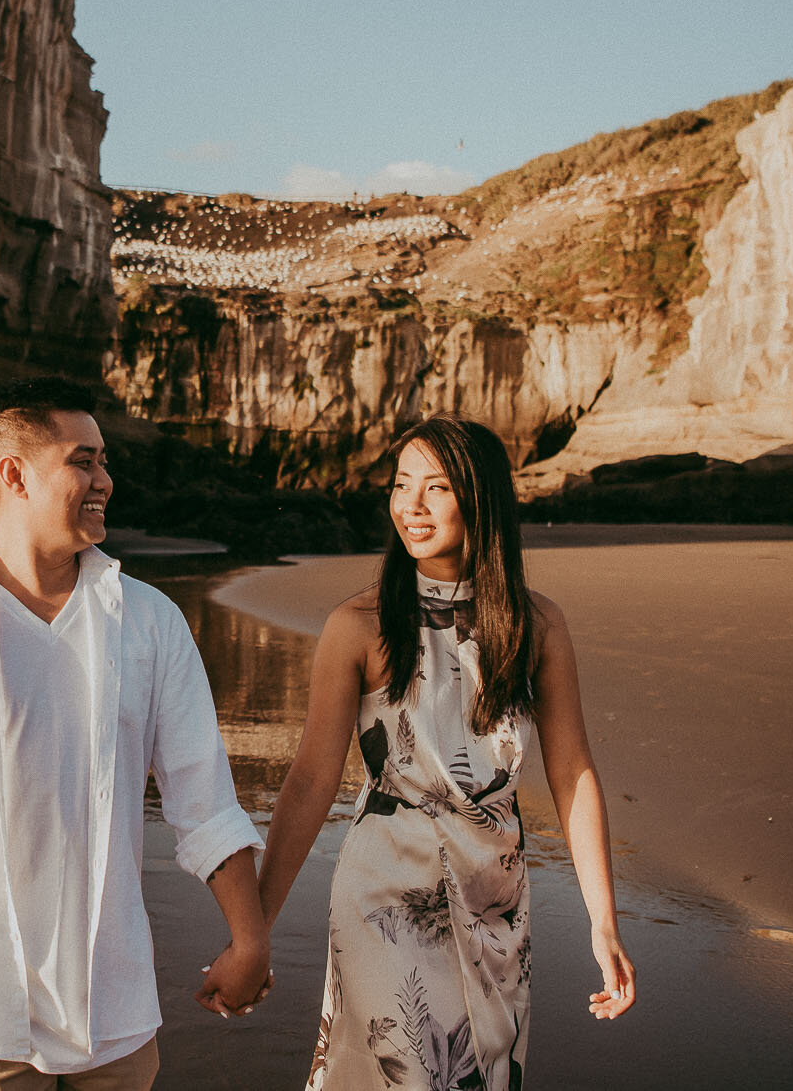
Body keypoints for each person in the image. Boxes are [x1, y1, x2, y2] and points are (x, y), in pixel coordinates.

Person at [0, 377, 271, 1090]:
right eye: (83, 461)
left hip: (113, 1015)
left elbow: (205, 800)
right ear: (14, 474)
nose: (105, 481)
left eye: (103, 462)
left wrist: (250, 937)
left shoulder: (150, 624)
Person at [257, 415, 636, 1090]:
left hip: (497, 898)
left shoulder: (535, 624)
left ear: (479, 498)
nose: (413, 505)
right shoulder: (359, 626)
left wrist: (602, 921)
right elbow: (312, 778)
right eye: (402, 484)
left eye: (436, 487)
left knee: (478, 1075)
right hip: (387, 893)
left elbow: (573, 770)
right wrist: (252, 924)